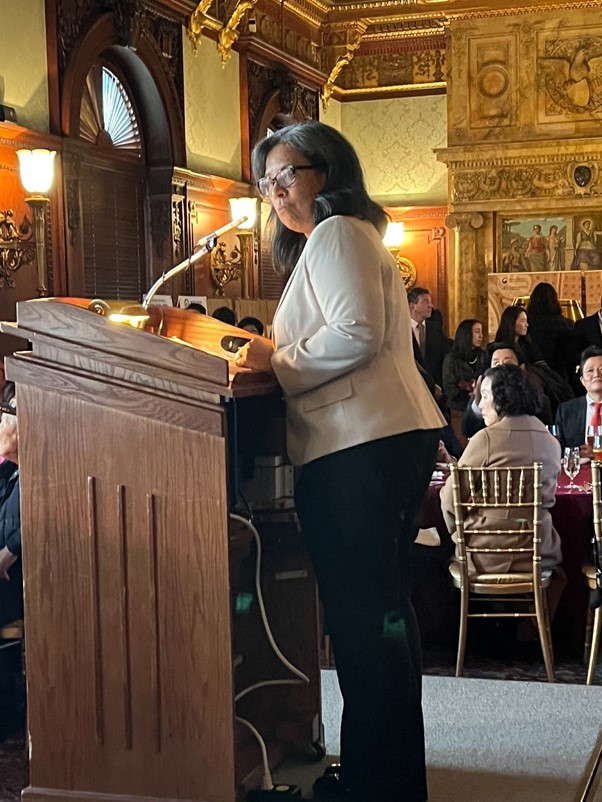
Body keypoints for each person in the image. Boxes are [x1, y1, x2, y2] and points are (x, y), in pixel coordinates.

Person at [235, 120, 445, 802]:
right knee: (381, 619)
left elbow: (354, 334)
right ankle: (383, 778)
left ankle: (376, 785)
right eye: (266, 183)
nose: (276, 193)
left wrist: (276, 360)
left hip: (361, 446)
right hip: (374, 441)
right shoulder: (342, 238)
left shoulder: (337, 232)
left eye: (287, 174)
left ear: (328, 172)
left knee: (366, 624)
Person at [441, 364, 562, 576]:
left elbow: (451, 498)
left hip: (486, 553)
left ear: (503, 397)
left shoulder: (486, 439)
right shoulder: (551, 441)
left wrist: (457, 532)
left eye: (485, 396)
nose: (480, 404)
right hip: (539, 553)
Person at [460, 342, 552, 439]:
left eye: (507, 363)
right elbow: (468, 431)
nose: (501, 368)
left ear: (521, 368)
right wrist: (478, 405)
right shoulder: (482, 396)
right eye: (496, 363)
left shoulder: (538, 400)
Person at [442, 319, 486, 448]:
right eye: (477, 332)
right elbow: (449, 388)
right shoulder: (452, 359)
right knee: (464, 447)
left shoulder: (483, 356)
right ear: (466, 334)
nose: (481, 336)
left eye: (481, 332)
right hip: (459, 409)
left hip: (481, 410)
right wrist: (468, 391)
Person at [0, 383, 21, 630]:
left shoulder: (42, 478)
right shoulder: (9, 471)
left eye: (8, 414)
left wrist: (11, 550)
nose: (1, 422)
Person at [555, 346, 602, 453]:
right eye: (590, 370)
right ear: (582, 381)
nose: (596, 375)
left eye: (601, 369)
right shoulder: (566, 411)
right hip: (578, 469)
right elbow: (558, 450)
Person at [526, 282, 575, 382]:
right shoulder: (566, 324)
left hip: (533, 376)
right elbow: (571, 357)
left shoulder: (527, 324)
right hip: (560, 376)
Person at [407, 286, 451, 395]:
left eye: (430, 302)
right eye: (425, 302)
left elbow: (443, 360)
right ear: (413, 306)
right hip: (410, 390)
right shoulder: (401, 329)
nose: (431, 306)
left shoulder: (435, 330)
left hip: (436, 392)